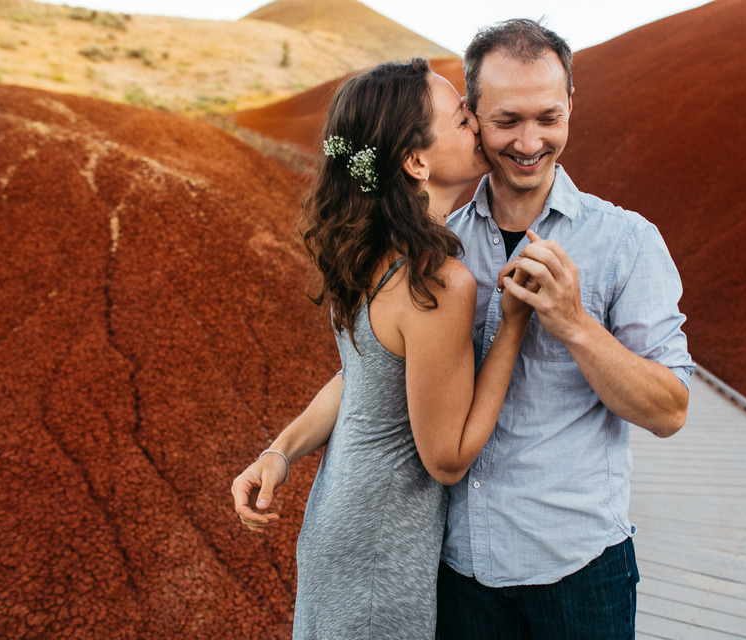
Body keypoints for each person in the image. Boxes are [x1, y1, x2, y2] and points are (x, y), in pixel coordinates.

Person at [230, 58, 535, 639]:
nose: (476, 122)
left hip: (334, 530)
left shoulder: (371, 255)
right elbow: (446, 459)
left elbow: (360, 377)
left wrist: (280, 451)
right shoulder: (437, 281)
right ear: (416, 161)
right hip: (380, 559)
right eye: (460, 117)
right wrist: (514, 324)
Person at [436, 19, 695, 639]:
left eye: (549, 118)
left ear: (572, 106)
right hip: (457, 568)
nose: (530, 142)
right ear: (471, 115)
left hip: (580, 575)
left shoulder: (628, 242)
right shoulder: (439, 243)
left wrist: (575, 324)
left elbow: (669, 411)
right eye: (507, 121)